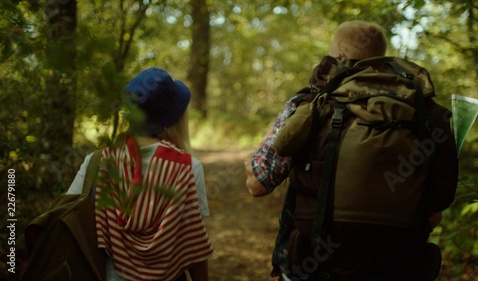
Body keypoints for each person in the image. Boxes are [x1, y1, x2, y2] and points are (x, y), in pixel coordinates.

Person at [245, 20, 458, 280]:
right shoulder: (424, 113)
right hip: (397, 268)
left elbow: (258, 184)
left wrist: (259, 149)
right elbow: (435, 215)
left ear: (341, 56)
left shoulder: (313, 104)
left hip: (315, 266)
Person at [68, 67, 214, 281]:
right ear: (172, 117)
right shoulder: (188, 168)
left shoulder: (97, 163)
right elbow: (192, 243)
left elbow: (68, 219)